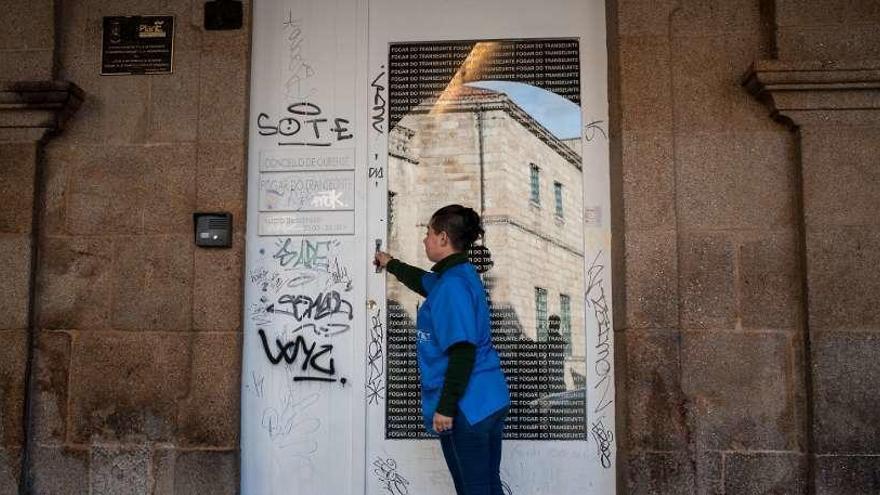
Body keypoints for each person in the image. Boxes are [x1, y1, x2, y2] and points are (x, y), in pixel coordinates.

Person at [375, 204, 510, 495]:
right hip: (487, 397)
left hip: (468, 406)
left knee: (472, 489)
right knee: (487, 484)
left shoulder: (452, 286)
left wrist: (446, 407)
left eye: (428, 233)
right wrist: (390, 263)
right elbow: (424, 281)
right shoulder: (460, 274)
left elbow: (463, 351)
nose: (425, 239)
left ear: (443, 238)